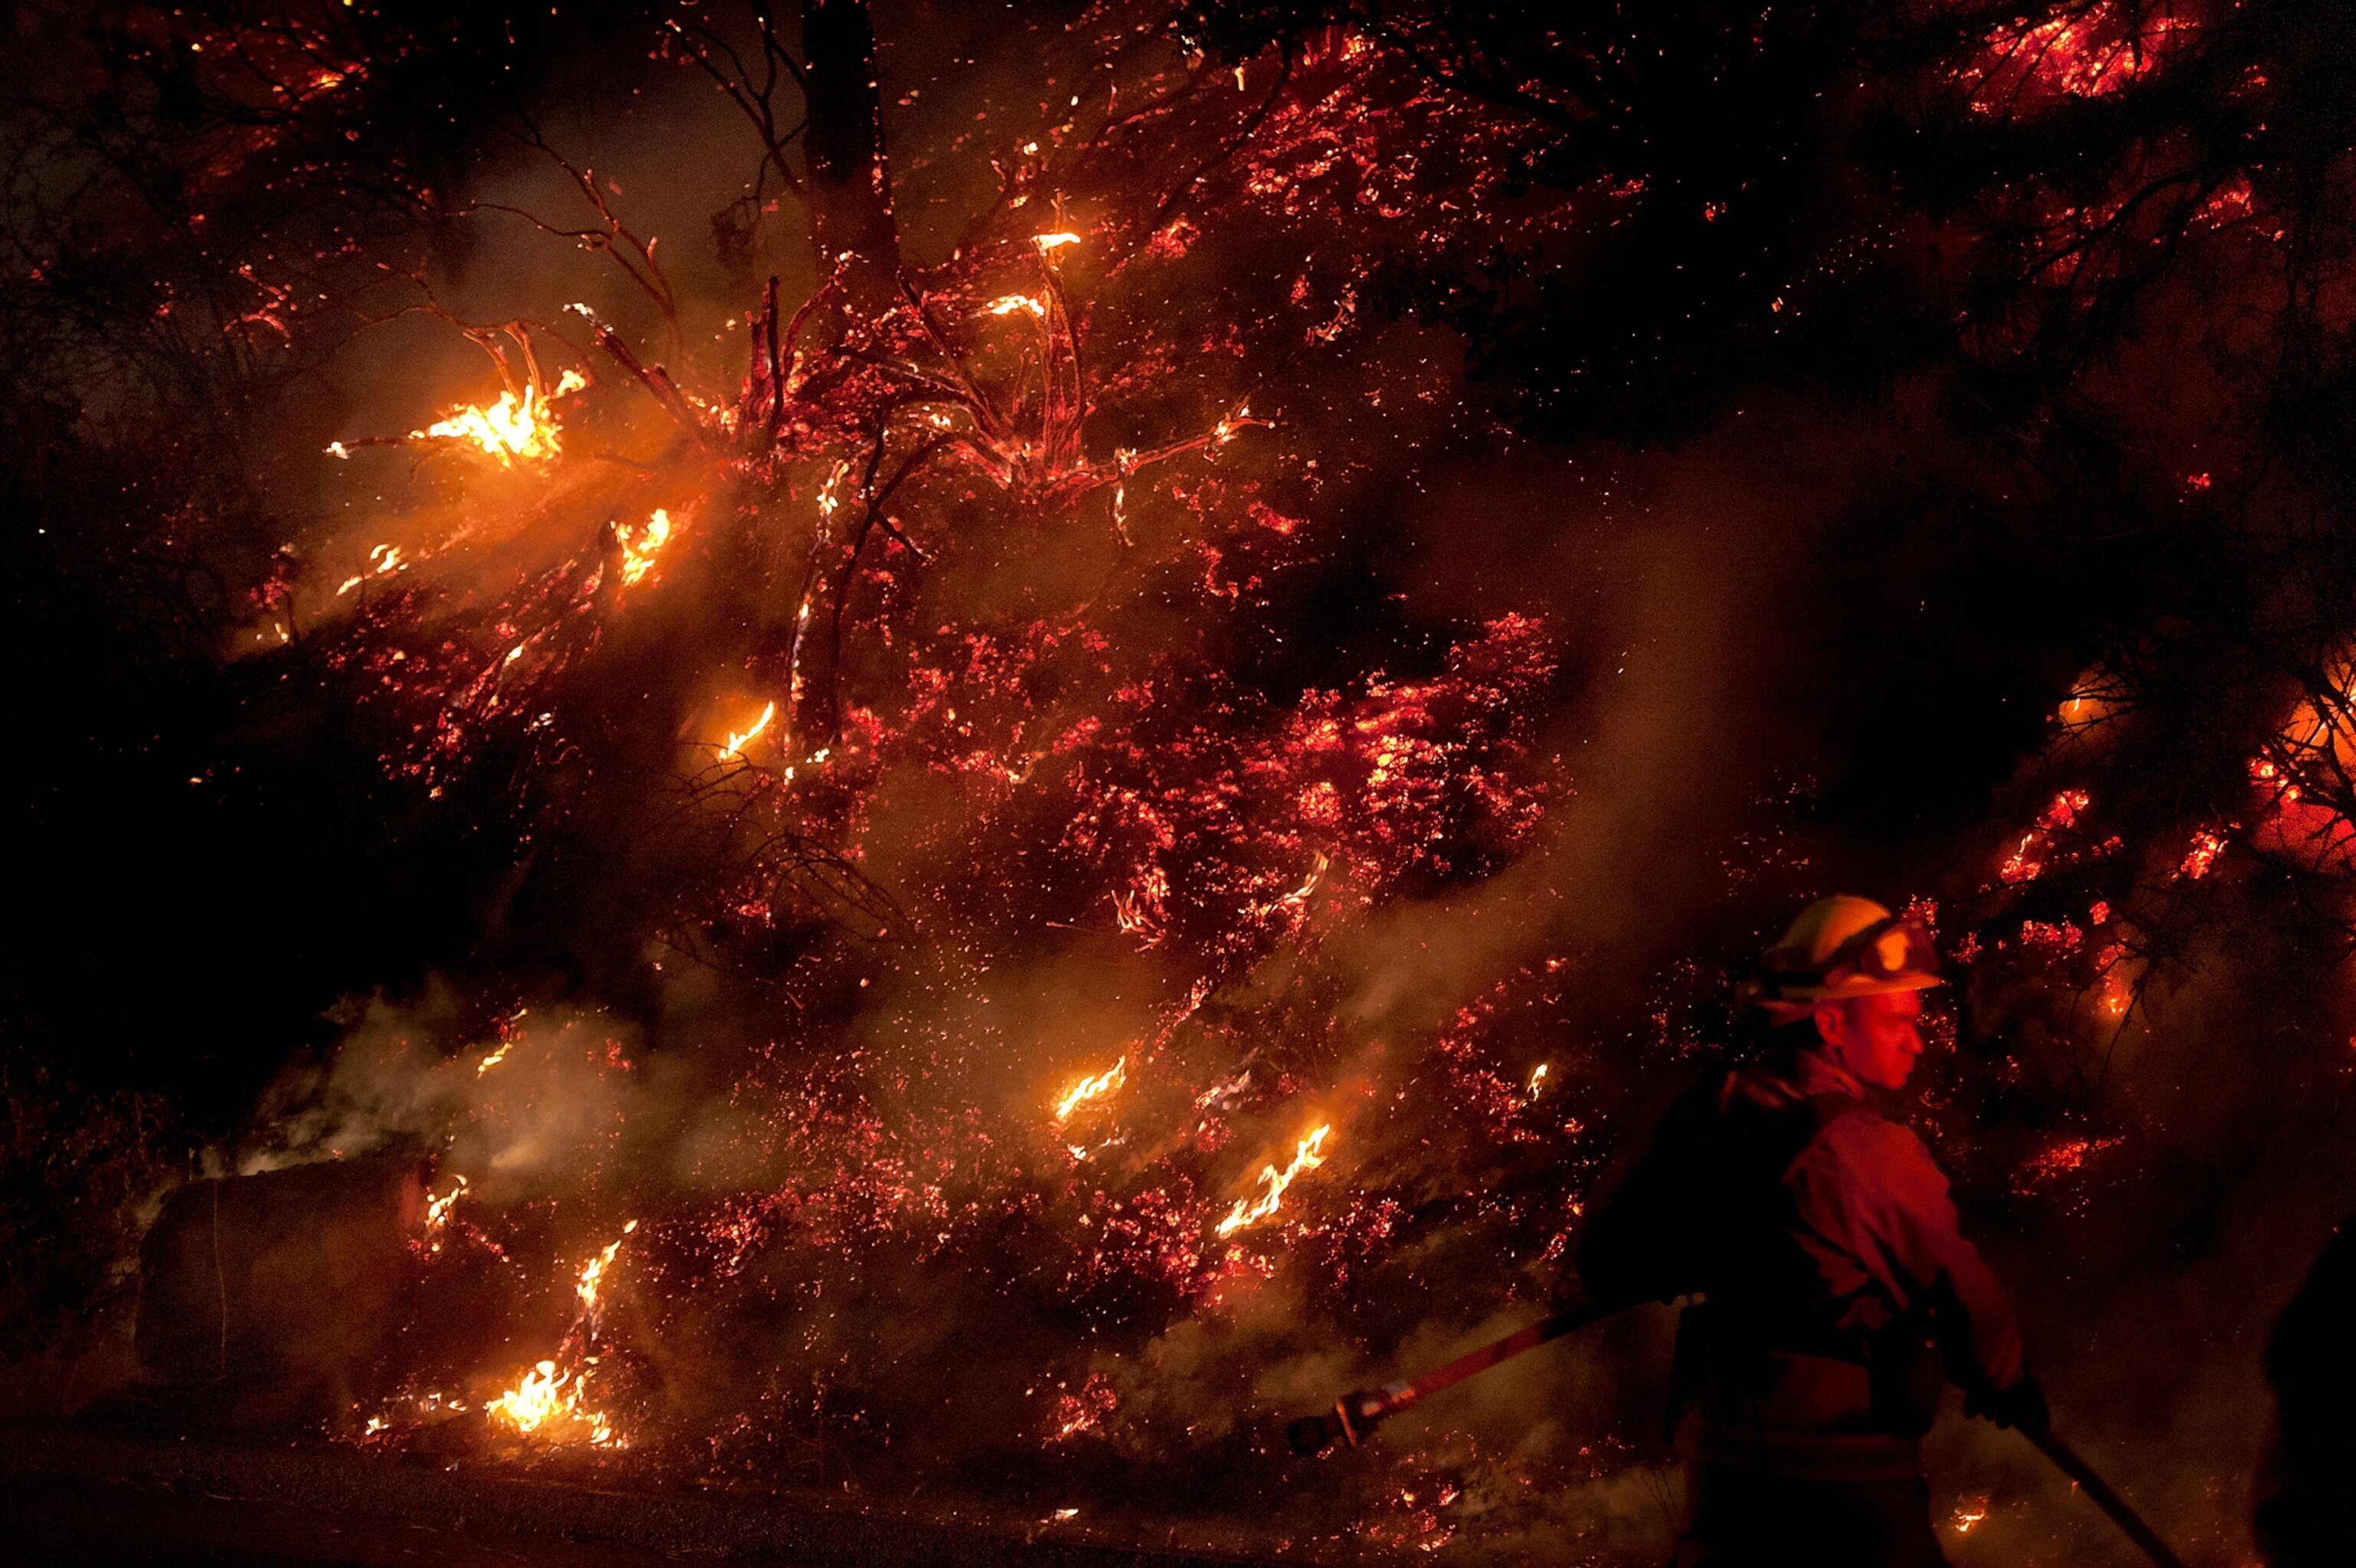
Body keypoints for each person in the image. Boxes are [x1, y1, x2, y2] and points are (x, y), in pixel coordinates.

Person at [1579, 896, 2045, 1567]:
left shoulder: (1716, 1104)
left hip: (1718, 1475)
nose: (1916, 1039)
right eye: (1898, 1021)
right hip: (1843, 1490)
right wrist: (2009, 1382)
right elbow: (1970, 1301)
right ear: (1831, 1020)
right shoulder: (1868, 1153)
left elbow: (1609, 1256)